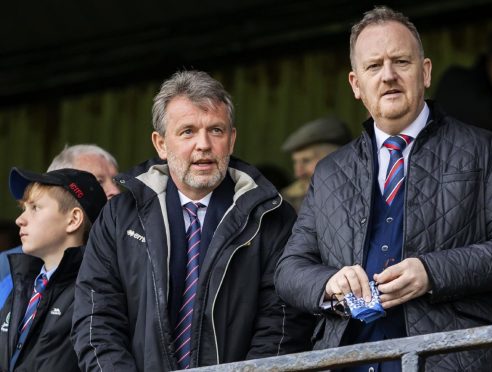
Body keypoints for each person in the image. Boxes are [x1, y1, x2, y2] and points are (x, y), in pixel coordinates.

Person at [275, 6, 492, 372]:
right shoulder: (330, 172)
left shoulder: (485, 150)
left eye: (401, 61)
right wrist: (329, 282)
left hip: (450, 361)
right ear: (356, 84)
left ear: (426, 71)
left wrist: (432, 272)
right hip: (348, 361)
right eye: (374, 66)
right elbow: (289, 270)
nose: (388, 76)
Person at [71, 70, 313, 371]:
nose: (203, 144)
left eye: (216, 130)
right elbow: (96, 319)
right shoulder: (120, 217)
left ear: (232, 139)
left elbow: (282, 324)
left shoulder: (271, 216)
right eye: (187, 131)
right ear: (160, 144)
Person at [0, 167, 107, 372]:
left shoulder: (95, 293)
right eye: (23, 209)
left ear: (73, 220)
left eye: (35, 208)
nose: (19, 220)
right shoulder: (22, 283)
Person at [0, 144, 121, 309]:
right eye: (98, 181)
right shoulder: (8, 270)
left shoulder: (107, 278)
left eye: (116, 181)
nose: (115, 190)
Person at [280, 116, 351, 211]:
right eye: (295, 162)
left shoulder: (367, 192)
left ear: (338, 159)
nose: (298, 173)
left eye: (306, 160)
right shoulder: (286, 201)